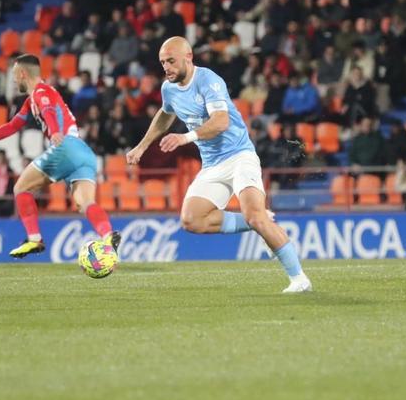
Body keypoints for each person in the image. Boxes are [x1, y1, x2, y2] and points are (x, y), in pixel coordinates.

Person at [125, 37, 312, 293]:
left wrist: (185, 137)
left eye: (171, 61)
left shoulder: (208, 80)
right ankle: (259, 221)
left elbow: (221, 121)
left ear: (188, 57)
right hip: (213, 165)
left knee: (254, 215)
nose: (166, 67)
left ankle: (299, 279)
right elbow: (166, 113)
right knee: (192, 220)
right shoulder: (168, 88)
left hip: (239, 157)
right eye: (162, 62)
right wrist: (141, 146)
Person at [0, 54, 121, 258]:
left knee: (21, 187)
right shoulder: (32, 99)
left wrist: (55, 131)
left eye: (14, 75)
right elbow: (13, 125)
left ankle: (34, 239)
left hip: (65, 147)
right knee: (85, 203)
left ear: (22, 73)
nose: (13, 80)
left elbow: (47, 108)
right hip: (83, 151)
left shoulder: (41, 92)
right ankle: (108, 235)